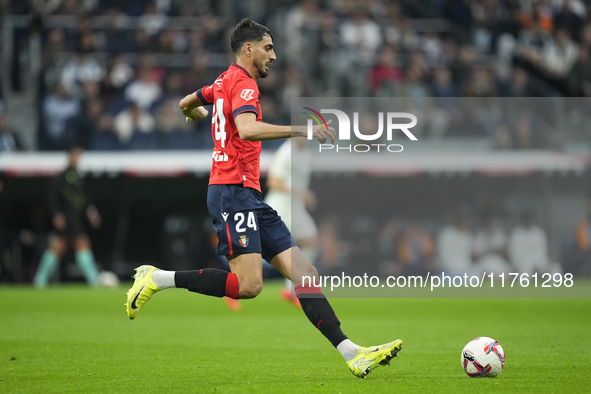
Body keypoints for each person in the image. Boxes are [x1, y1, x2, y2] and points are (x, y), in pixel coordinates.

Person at [125, 18, 402, 379]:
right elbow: (247, 128)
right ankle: (157, 278)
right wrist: (303, 129)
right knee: (249, 286)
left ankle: (353, 353)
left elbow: (186, 100)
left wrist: (191, 110)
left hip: (249, 195)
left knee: (305, 272)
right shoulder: (243, 83)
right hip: (230, 192)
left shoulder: (223, 81)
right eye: (268, 48)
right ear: (248, 49)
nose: (274, 55)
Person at [34, 147, 101, 287]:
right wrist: (56, 214)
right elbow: (52, 197)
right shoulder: (61, 178)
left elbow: (84, 200)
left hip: (75, 219)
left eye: (79, 156)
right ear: (69, 157)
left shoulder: (79, 177)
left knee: (62, 246)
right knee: (72, 245)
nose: (77, 159)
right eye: (75, 156)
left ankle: (39, 281)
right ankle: (94, 281)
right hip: (66, 218)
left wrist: (91, 212)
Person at [265, 138, 319, 308]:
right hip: (281, 207)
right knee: (264, 251)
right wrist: (301, 194)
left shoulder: (306, 154)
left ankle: (291, 291)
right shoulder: (286, 151)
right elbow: (273, 181)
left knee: (311, 243)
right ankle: (231, 281)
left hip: (296, 208)